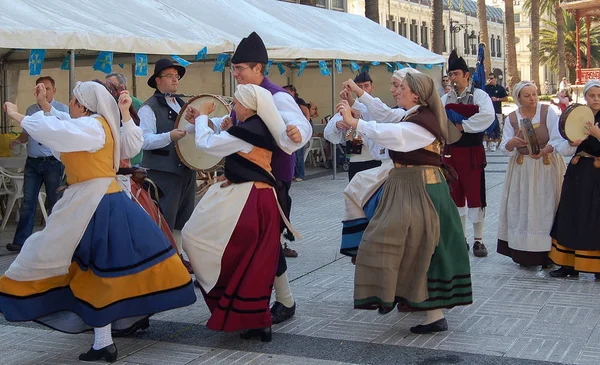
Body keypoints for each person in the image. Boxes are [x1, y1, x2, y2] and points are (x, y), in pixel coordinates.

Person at [0, 81, 195, 363]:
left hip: (97, 204)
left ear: (83, 105)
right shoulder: (92, 126)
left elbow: (60, 129)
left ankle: (106, 339)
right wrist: (43, 107)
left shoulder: (92, 126)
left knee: (95, 271)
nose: (71, 105)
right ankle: (108, 336)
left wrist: (18, 116)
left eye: (74, 101)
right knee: (97, 273)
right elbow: (62, 132)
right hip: (94, 202)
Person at [189, 32, 310, 324]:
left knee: (267, 243)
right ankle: (273, 299)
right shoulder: (246, 98)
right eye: (234, 69)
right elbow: (236, 127)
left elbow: (299, 124)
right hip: (248, 183)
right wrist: (213, 122)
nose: (236, 74)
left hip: (272, 180)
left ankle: (277, 300)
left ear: (258, 68)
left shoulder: (278, 96)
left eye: (240, 69)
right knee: (263, 243)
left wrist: (298, 132)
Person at [338, 71, 471, 334]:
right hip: (412, 186)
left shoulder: (421, 123)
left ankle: (418, 307)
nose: (396, 91)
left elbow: (393, 134)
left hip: (422, 190)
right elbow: (386, 116)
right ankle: (407, 301)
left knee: (416, 246)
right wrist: (358, 95)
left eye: (402, 88)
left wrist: (355, 123)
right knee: (413, 247)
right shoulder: (413, 114)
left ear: (417, 94)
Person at [182, 84, 293, 342]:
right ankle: (256, 320)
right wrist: (204, 120)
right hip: (260, 198)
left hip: (250, 199)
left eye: (236, 103)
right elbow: (236, 147)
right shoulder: (257, 128)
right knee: (255, 260)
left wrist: (201, 118)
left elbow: (206, 144)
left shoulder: (248, 131)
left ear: (248, 107)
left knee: (199, 237)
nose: (233, 107)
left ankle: (252, 317)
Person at [496, 81, 567, 267]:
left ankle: (549, 253)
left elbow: (558, 138)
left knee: (546, 206)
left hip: (546, 166)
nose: (532, 98)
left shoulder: (547, 112)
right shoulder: (512, 117)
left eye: (534, 94)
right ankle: (524, 253)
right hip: (522, 169)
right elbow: (505, 147)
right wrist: (513, 142)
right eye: (527, 96)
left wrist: (544, 151)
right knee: (524, 207)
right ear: (518, 98)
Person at [138, 59, 195, 266]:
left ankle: (177, 256)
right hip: (163, 172)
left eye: (176, 76)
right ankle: (164, 261)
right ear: (158, 81)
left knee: (182, 217)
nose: (175, 80)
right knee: (165, 218)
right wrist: (169, 136)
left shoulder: (181, 104)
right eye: (170, 76)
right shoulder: (148, 108)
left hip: (184, 169)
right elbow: (144, 141)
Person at [442, 50, 495, 257]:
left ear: (466, 75)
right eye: (450, 75)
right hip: (451, 152)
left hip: (472, 152)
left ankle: (479, 240)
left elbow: (488, 116)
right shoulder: (445, 98)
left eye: (456, 74)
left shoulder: (479, 95)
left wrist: (462, 126)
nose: (453, 78)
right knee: (455, 194)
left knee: (476, 195)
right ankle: (460, 238)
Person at [6, 76, 67, 252]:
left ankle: (58, 241)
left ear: (54, 90)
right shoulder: (31, 109)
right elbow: (27, 133)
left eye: (47, 88)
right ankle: (21, 241)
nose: (44, 91)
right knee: (28, 202)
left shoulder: (62, 109)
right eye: (40, 88)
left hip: (53, 163)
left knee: (55, 202)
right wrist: (18, 140)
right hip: (33, 162)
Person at [548, 79, 600, 278]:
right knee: (571, 213)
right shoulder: (575, 115)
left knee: (596, 217)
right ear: (585, 96)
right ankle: (567, 263)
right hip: (578, 172)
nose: (596, 99)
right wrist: (571, 143)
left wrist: (597, 133)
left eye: (599, 95)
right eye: (592, 95)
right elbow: (561, 148)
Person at [324, 72, 390, 181]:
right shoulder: (347, 107)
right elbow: (328, 134)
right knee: (356, 197)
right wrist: (336, 125)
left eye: (366, 86)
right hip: (356, 160)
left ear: (372, 87)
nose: (363, 89)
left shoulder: (379, 108)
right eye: (359, 87)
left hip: (377, 160)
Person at [106, 72, 144, 165]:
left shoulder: (136, 104)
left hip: (132, 157)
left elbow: (141, 130)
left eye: (111, 85)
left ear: (122, 86)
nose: (108, 89)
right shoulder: (109, 103)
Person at [283, 85, 309, 183]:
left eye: (288, 91)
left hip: (300, 129)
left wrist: (304, 126)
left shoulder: (298, 100)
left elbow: (307, 112)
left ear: (293, 91)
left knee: (299, 154)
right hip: (291, 129)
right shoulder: (286, 101)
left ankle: (300, 174)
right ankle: (294, 173)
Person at [484, 73, 508, 152]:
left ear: (495, 79)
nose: (490, 80)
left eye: (492, 78)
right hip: (487, 111)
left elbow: (506, 98)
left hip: (497, 111)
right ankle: (485, 143)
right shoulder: (485, 88)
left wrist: (497, 99)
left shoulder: (500, 88)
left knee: (498, 127)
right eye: (489, 78)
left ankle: (495, 142)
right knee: (486, 127)